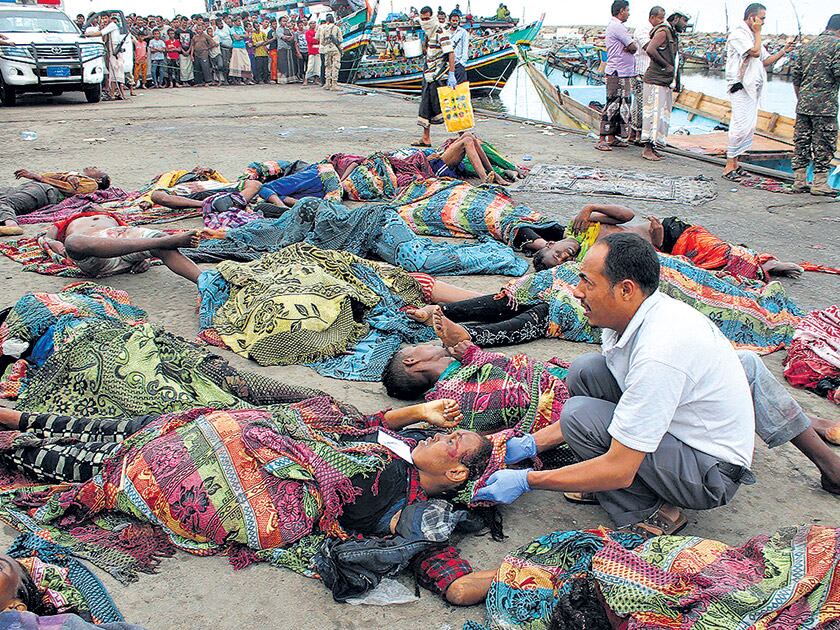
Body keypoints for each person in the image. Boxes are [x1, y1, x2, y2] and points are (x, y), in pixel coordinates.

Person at [0, 400, 496, 606]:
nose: (442, 434)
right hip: (254, 445)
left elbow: (453, 585)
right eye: (447, 429)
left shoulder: (418, 518)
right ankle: (21, 420)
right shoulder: (395, 444)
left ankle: (20, 447)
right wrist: (418, 411)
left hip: (254, 490)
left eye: (454, 442)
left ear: (455, 474)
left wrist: (527, 574)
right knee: (151, 428)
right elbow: (346, 422)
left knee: (119, 471)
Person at [473, 234, 758, 538]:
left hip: (709, 473)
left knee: (579, 416)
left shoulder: (660, 352)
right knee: (586, 371)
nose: (578, 292)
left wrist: (529, 480)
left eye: (588, 283)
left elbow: (620, 468)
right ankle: (605, 481)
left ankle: (652, 512)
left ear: (625, 290)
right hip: (681, 436)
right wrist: (532, 444)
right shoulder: (635, 317)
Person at [532, 204, 804, 279]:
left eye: (556, 254)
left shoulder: (581, 224)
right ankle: (760, 269)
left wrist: (590, 207)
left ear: (549, 244)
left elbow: (628, 215)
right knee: (705, 272)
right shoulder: (589, 259)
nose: (565, 255)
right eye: (562, 261)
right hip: (663, 250)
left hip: (668, 232)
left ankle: (769, 264)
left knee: (717, 251)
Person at [723, 3, 794, 178]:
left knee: (748, 126)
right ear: (751, 17)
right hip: (739, 86)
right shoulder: (738, 34)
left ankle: (736, 163)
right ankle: (729, 166)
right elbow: (754, 52)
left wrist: (784, 50)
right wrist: (757, 32)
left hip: (752, 87)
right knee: (739, 126)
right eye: (761, 18)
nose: (763, 23)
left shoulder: (751, 35)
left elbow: (765, 60)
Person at [40, 212, 202, 282]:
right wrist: (59, 247)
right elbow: (48, 239)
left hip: (121, 243)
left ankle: (206, 283)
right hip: (95, 254)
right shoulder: (69, 219)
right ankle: (165, 241)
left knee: (157, 238)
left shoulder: (111, 216)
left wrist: (145, 257)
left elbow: (133, 237)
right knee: (73, 242)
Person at [790, 14, 840, 196]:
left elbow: (795, 77)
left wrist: (802, 99)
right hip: (825, 107)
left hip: (803, 105)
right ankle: (819, 184)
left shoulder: (807, 46)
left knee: (801, 142)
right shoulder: (837, 46)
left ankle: (799, 181)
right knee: (824, 144)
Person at [0, 168, 110, 237]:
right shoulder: (73, 175)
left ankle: (11, 225)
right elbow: (46, 175)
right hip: (28, 186)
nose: (93, 167)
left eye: (97, 169)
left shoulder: (92, 183)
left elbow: (70, 189)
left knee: (7, 203)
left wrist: (38, 177)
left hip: (44, 190)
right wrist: (67, 176)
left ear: (99, 179)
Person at [641, 10, 689, 160]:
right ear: (675, 19)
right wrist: (665, 66)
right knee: (653, 115)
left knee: (660, 115)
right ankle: (647, 150)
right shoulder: (663, 31)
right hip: (656, 80)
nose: (685, 24)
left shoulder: (671, 33)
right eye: (684, 20)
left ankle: (653, 147)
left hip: (664, 81)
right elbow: (650, 49)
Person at [596, 1, 637, 152]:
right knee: (612, 104)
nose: (629, 13)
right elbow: (633, 47)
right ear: (621, 11)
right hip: (617, 72)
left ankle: (612, 138)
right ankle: (602, 139)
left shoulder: (617, 26)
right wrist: (629, 48)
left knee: (621, 105)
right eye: (627, 10)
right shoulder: (617, 26)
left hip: (623, 72)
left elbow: (631, 47)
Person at [415, 6, 457, 147]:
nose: (425, 21)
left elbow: (450, 53)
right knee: (425, 106)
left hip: (439, 75)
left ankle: (463, 134)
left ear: (432, 17)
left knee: (447, 107)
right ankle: (425, 138)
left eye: (428, 18)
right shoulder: (429, 33)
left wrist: (451, 73)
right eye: (423, 19)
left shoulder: (440, 32)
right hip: (429, 75)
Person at [628, 6, 663, 146]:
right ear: (652, 17)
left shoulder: (658, 31)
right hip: (640, 72)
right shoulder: (643, 29)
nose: (662, 21)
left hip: (650, 73)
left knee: (647, 103)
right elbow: (649, 48)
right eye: (660, 18)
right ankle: (636, 134)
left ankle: (640, 133)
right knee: (640, 103)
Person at [84, 14, 126, 101]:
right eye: (102, 18)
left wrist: (88, 35)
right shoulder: (107, 27)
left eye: (105, 18)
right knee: (113, 72)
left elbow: (100, 33)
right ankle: (116, 93)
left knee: (116, 72)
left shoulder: (112, 25)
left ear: (109, 18)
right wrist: (102, 27)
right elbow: (104, 39)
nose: (104, 20)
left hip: (116, 52)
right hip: (111, 51)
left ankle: (114, 94)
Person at [318, 14, 343, 91]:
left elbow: (321, 41)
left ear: (327, 21)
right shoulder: (336, 28)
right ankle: (334, 84)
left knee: (327, 66)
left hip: (326, 49)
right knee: (335, 66)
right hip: (335, 49)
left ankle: (327, 83)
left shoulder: (323, 28)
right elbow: (340, 40)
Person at [228, 16, 252, 84]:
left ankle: (247, 79)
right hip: (236, 48)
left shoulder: (241, 28)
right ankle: (239, 80)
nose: (240, 22)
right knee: (238, 64)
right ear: (234, 22)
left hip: (243, 47)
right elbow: (236, 38)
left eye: (240, 21)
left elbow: (247, 36)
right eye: (238, 21)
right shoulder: (232, 29)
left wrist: (241, 36)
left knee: (246, 63)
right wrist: (243, 36)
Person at [191, 22, 215, 87]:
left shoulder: (205, 36)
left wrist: (207, 48)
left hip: (204, 54)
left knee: (205, 68)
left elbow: (213, 43)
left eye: (200, 29)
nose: (199, 31)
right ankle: (199, 82)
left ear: (202, 29)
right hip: (196, 54)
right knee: (197, 68)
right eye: (198, 29)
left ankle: (208, 81)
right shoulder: (194, 37)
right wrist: (191, 55)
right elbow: (192, 45)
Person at [448, 12, 469, 84]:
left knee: (461, 87)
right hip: (448, 65)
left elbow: (465, 48)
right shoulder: (445, 33)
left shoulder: (463, 32)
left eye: (456, 21)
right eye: (453, 21)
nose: (455, 22)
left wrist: (462, 62)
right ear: (449, 21)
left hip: (458, 64)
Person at [215, 15, 234, 82]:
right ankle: (226, 79)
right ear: (217, 25)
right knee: (225, 64)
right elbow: (220, 43)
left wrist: (233, 45)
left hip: (232, 47)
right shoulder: (216, 32)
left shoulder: (227, 28)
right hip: (224, 49)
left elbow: (231, 36)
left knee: (232, 64)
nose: (221, 25)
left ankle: (232, 79)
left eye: (221, 23)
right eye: (219, 24)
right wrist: (229, 47)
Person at [176, 20, 195, 86]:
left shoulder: (190, 31)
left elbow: (192, 42)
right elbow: (178, 43)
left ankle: (189, 81)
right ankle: (184, 81)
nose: (185, 24)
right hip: (181, 52)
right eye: (183, 22)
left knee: (189, 67)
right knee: (183, 68)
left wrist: (190, 51)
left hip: (189, 51)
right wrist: (183, 51)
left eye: (186, 23)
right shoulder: (178, 31)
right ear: (181, 22)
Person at [304, 20, 321, 86]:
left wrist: (315, 39)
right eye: (312, 23)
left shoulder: (316, 32)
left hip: (317, 50)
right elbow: (310, 40)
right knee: (310, 66)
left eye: (314, 23)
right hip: (311, 51)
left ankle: (316, 80)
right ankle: (306, 80)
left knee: (317, 66)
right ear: (309, 24)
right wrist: (316, 39)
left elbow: (319, 40)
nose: (314, 24)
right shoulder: (308, 32)